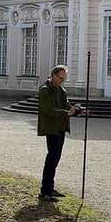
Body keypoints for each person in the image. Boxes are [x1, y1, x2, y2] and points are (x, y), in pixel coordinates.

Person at [37, 65, 85, 201]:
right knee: (51, 158)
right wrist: (66, 112)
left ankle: (50, 188)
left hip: (61, 128)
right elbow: (47, 110)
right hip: (51, 128)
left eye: (63, 79)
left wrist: (77, 110)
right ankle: (45, 191)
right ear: (53, 75)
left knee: (55, 158)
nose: (61, 81)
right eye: (60, 78)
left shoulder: (61, 90)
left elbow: (66, 105)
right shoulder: (45, 90)